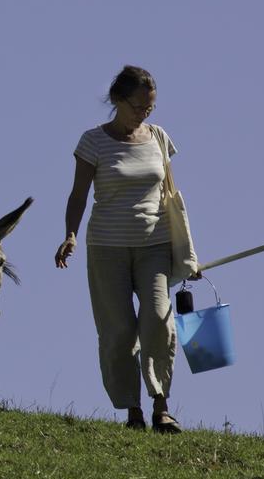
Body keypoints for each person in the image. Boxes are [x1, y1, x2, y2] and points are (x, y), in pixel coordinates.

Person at [55, 65, 185, 433]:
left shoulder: (159, 138)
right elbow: (78, 194)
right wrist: (70, 234)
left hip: (154, 245)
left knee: (159, 321)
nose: (143, 114)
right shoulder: (92, 142)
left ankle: (161, 406)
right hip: (107, 248)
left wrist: (186, 252)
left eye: (149, 108)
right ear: (116, 100)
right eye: (137, 107)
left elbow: (173, 197)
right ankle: (133, 410)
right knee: (119, 332)